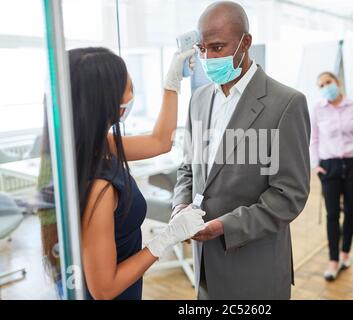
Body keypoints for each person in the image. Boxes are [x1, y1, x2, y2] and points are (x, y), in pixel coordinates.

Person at [171, 1, 311, 300]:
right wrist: (180, 206)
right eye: (202, 48)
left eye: (218, 47)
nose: (208, 57)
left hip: (254, 269)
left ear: (246, 43)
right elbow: (187, 167)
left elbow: (289, 195)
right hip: (204, 265)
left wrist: (226, 226)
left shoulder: (286, 104)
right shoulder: (198, 99)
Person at [69, 47, 206, 300]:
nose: (133, 94)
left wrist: (172, 82)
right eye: (129, 87)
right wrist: (167, 237)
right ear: (105, 100)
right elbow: (104, 289)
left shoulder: (94, 144)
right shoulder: (100, 188)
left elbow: (160, 141)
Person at [310, 71, 353, 281]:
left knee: (351, 210)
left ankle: (345, 253)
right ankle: (333, 260)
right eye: (321, 85)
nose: (326, 86)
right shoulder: (318, 109)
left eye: (328, 82)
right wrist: (316, 164)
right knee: (332, 213)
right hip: (329, 166)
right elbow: (314, 138)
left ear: (338, 83)